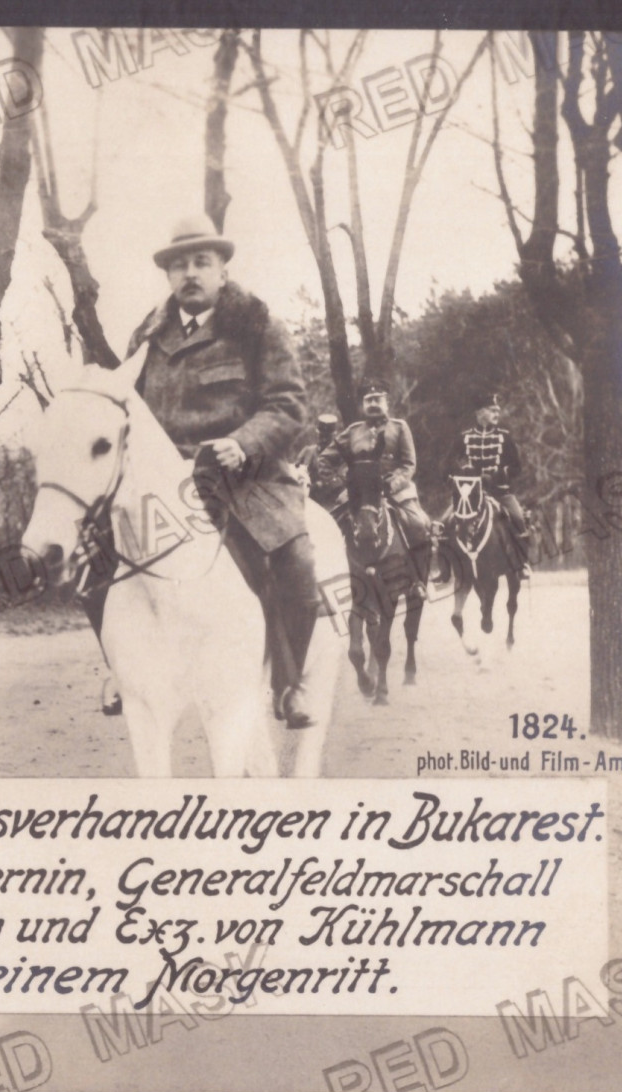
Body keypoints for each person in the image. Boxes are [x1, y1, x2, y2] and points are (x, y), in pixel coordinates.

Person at [123, 213, 324, 728]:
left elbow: (288, 405)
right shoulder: (145, 338)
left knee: (297, 567)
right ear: (168, 276)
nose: (190, 273)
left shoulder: (257, 326)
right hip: (166, 484)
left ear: (223, 271)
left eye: (201, 262)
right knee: (100, 559)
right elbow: (129, 412)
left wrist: (241, 443)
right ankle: (120, 670)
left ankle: (288, 682)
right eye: (179, 265)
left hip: (248, 481)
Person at [320, 382, 433, 592]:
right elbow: (324, 460)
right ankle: (335, 579)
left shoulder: (399, 427)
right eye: (368, 400)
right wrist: (340, 486)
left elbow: (409, 464)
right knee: (331, 525)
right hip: (360, 492)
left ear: (386, 402)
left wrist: (393, 483)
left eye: (377, 399)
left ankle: (419, 579)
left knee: (418, 524)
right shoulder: (352, 431)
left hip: (394, 489)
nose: (373, 404)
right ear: (363, 404)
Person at [449, 391, 531, 577]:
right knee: (444, 522)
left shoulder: (505, 437)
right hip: (468, 496)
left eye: (498, 410)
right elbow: (447, 465)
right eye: (492, 410)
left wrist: (498, 475)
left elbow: (517, 468)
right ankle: (447, 569)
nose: (497, 413)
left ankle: (522, 563)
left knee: (518, 518)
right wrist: (461, 474)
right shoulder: (464, 437)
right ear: (479, 413)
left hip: (500, 493)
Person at [297, 413, 346, 511]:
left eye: (327, 437)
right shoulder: (308, 452)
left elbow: (343, 479)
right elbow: (296, 472)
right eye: (321, 436)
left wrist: (322, 484)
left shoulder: (342, 455)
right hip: (308, 502)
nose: (323, 440)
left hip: (333, 505)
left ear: (334, 436)